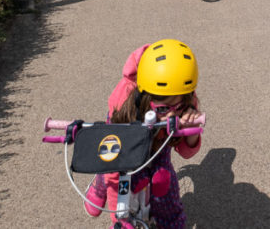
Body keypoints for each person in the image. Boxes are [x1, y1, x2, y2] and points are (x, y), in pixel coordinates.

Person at [83, 39, 205, 228]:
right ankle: (99, 183)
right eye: (164, 109)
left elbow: (186, 151)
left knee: (163, 180)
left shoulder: (186, 100)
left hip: (159, 144)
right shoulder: (126, 101)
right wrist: (119, 218)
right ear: (145, 98)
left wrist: (190, 132)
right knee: (112, 165)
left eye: (179, 106)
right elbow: (117, 171)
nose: (173, 114)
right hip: (127, 134)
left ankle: (170, 222)